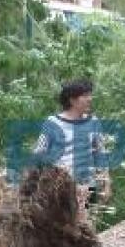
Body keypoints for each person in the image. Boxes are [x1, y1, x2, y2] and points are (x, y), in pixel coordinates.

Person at [33, 80, 111, 225]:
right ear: (72, 99)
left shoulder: (93, 122)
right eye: (85, 95)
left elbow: (101, 154)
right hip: (61, 188)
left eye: (90, 95)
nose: (90, 99)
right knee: (65, 230)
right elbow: (38, 153)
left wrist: (106, 183)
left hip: (87, 186)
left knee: (86, 228)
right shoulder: (53, 123)